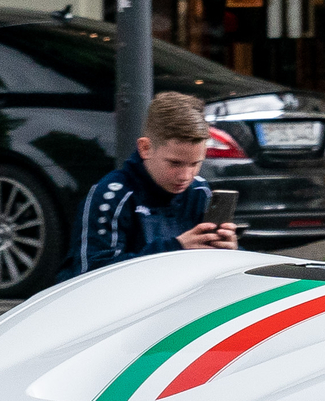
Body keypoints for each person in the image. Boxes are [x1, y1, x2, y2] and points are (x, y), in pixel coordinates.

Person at [63, 92, 240, 279]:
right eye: (175, 163)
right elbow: (90, 274)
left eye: (195, 164)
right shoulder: (110, 195)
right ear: (145, 148)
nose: (186, 176)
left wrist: (229, 252)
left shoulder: (200, 191)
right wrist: (176, 248)